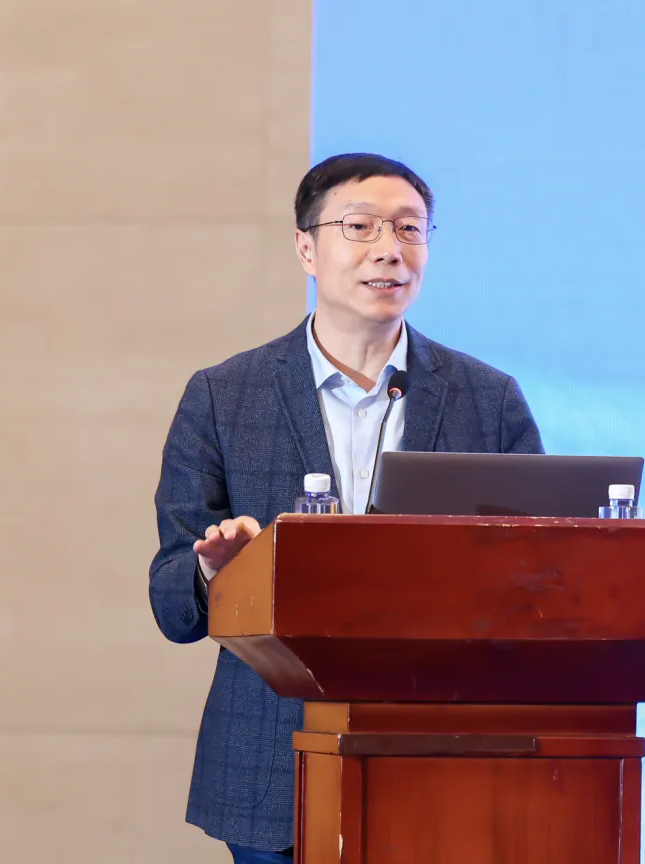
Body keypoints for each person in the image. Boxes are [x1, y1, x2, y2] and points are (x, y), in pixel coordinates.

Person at [147, 153, 544, 862]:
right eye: (360, 227)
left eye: (410, 229)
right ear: (307, 248)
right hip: (271, 762)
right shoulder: (223, 396)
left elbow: (541, 576)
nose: (389, 249)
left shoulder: (488, 400)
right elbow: (171, 604)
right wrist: (218, 572)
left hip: (445, 757)